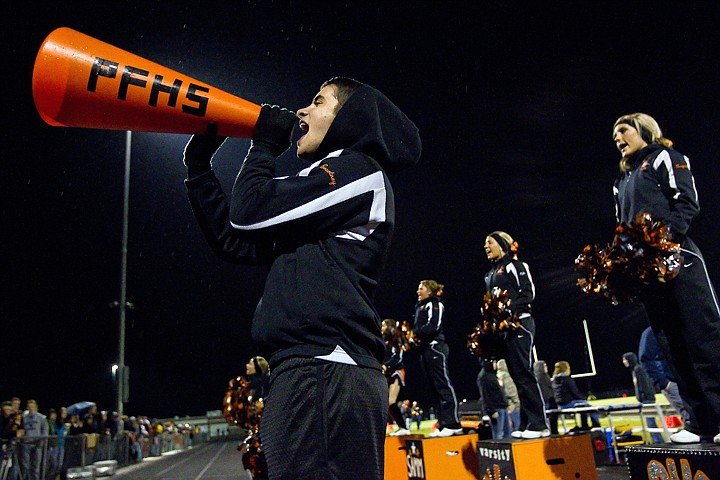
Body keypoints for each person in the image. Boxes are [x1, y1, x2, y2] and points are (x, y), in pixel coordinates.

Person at [183, 76, 421, 479]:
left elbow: (250, 212)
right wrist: (199, 170)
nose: (302, 112)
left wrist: (263, 145)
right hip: (313, 370)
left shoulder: (359, 171)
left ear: (349, 117)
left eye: (319, 101)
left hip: (325, 369)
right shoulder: (326, 189)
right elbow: (235, 239)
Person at [611, 113, 720, 444]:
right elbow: (623, 228)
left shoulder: (664, 158)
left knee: (703, 338)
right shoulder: (621, 182)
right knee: (672, 346)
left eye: (623, 130)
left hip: (678, 259)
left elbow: (687, 203)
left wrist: (664, 242)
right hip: (647, 272)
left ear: (643, 130)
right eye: (614, 135)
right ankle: (700, 421)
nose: (617, 138)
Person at [483, 231, 549, 439]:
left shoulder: (515, 265)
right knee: (515, 375)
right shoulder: (490, 274)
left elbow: (528, 294)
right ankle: (529, 423)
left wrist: (509, 312)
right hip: (504, 329)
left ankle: (540, 424)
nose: (486, 246)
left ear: (502, 244)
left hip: (520, 323)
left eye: (490, 242)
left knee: (524, 373)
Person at [411, 279, 463, 437]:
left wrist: (417, 333)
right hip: (425, 350)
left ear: (430, 291)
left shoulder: (435, 305)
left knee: (443, 384)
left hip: (436, 348)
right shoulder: (420, 307)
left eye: (421, 288)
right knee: (433, 388)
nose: (418, 291)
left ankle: (453, 423)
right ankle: (442, 423)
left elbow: (434, 325)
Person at [638, 326, 692, 426]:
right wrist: (663, 382)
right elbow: (645, 358)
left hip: (686, 379)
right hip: (672, 382)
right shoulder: (651, 332)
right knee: (690, 417)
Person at [551, 361, 601, 432]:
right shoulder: (567, 379)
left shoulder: (554, 380)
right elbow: (575, 393)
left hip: (559, 404)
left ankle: (586, 425)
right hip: (567, 403)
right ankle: (594, 425)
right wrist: (583, 399)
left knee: (582, 404)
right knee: (586, 406)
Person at [380, 319, 409, 436]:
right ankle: (401, 427)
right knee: (386, 403)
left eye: (383, 325)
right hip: (387, 373)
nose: (381, 327)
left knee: (391, 401)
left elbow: (399, 357)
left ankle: (404, 428)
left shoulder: (396, 339)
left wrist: (387, 365)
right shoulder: (384, 341)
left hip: (396, 371)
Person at [476, 358, 510, 439]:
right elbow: (485, 395)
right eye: (494, 362)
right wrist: (491, 411)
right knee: (498, 434)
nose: (495, 364)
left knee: (507, 433)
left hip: (502, 407)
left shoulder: (493, 375)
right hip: (496, 409)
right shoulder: (484, 377)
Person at [21, 400, 48, 480]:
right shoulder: (24, 417)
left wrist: (43, 440)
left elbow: (45, 429)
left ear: (36, 407)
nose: (31, 408)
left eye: (32, 407)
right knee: (25, 466)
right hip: (26, 443)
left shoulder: (41, 417)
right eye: (29, 407)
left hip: (37, 443)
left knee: (36, 466)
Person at [534, 360, 559, 435]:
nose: (546, 368)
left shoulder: (545, 377)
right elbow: (545, 392)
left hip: (550, 401)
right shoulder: (541, 378)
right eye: (544, 366)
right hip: (547, 402)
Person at [496, 359, 521, 433]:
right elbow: (511, 391)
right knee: (517, 427)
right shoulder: (506, 376)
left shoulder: (497, 376)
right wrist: (517, 403)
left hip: (505, 405)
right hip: (513, 406)